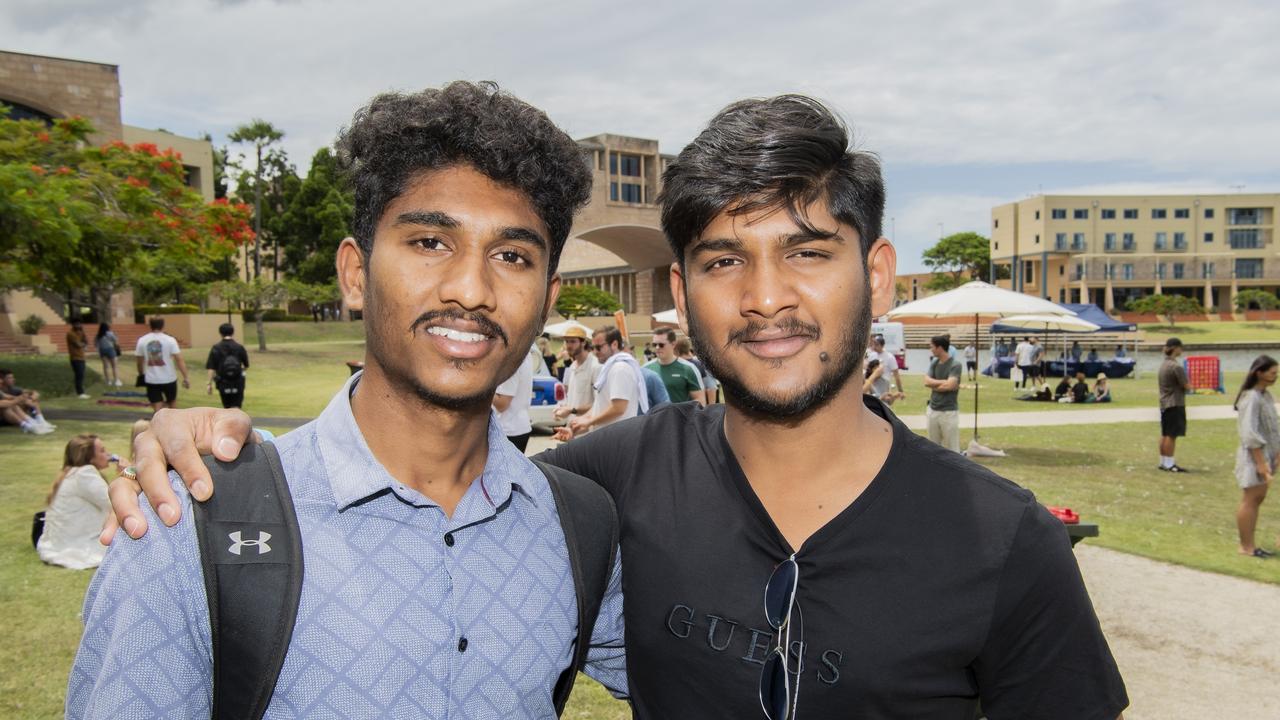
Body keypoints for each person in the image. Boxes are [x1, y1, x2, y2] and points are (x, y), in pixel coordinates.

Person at [112, 93, 1129, 718]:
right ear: (681, 297)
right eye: (428, 242)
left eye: (806, 254)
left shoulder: (1003, 543)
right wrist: (187, 435)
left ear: (875, 272)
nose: (767, 298)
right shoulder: (595, 493)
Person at [70, 81, 626, 718]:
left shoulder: (578, 529)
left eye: (511, 255)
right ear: (356, 274)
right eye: (429, 243)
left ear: (547, 300)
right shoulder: (190, 520)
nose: (471, 288)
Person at [37, 434, 120, 569]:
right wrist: (128, 474)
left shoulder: (71, 473)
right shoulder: (84, 474)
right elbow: (115, 502)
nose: (108, 454)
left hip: (58, 543)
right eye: (102, 451)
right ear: (90, 457)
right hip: (75, 545)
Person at [1233, 355, 1279, 558]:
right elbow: (1249, 433)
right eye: (1272, 373)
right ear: (1259, 372)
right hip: (1254, 457)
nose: (1276, 376)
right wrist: (1261, 463)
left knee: (1257, 499)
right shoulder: (1251, 398)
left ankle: (1250, 544)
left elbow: (1273, 428)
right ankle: (1246, 547)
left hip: (1268, 455)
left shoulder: (1266, 396)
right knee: (1250, 499)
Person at [135, 317, 189, 413]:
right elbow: (179, 360)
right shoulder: (170, 340)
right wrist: (185, 377)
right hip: (169, 378)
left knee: (157, 407)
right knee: (172, 403)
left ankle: (159, 426)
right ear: (163, 325)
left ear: (150, 325)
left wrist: (141, 373)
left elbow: (139, 361)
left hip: (152, 379)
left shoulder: (142, 340)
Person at [643, 328, 705, 405]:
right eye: (654, 345)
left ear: (673, 344)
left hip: (681, 416)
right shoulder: (646, 368)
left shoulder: (688, 368)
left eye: (661, 345)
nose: (657, 348)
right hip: (654, 416)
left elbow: (700, 399)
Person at [922, 334, 962, 451]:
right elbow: (926, 381)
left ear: (939, 348)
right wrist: (943, 383)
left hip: (948, 412)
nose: (931, 349)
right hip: (933, 410)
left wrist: (934, 385)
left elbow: (950, 385)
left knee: (952, 448)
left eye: (932, 347)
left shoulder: (955, 365)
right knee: (933, 447)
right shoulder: (934, 363)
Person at [552, 325, 599, 424]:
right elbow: (572, 399)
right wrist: (562, 409)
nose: (569, 345)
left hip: (589, 429)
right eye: (567, 341)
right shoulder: (572, 366)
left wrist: (571, 410)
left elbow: (599, 404)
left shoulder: (595, 367)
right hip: (573, 428)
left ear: (583, 342)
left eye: (573, 341)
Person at [1158, 337, 1192, 472]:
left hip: (1164, 403)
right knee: (1172, 435)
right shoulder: (1176, 366)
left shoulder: (1164, 365)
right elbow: (1186, 385)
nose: (1181, 350)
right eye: (1180, 347)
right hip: (1175, 403)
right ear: (1175, 348)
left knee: (1165, 433)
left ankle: (1163, 461)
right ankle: (1170, 463)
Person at [493, 344, 535, 451]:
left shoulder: (512, 361)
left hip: (508, 429)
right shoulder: (526, 354)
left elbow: (502, 404)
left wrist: (483, 386)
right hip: (518, 426)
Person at [204, 322, 249, 409]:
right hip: (238, 382)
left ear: (220, 333)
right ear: (233, 332)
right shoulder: (239, 347)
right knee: (237, 407)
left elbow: (211, 367)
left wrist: (209, 384)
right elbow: (246, 365)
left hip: (222, 382)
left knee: (227, 408)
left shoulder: (216, 348)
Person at [0, 368, 55, 433]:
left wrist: (28, 398)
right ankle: (30, 425)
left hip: (10, 416)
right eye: (10, 378)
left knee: (17, 404)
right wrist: (18, 400)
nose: (13, 380)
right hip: (4, 417)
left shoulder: (10, 390)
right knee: (7, 407)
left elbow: (8, 397)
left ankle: (36, 423)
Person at [675, 336, 719, 404]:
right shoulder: (700, 363)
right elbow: (711, 387)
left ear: (676, 350)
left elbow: (711, 387)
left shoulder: (698, 364)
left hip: (697, 407)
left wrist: (709, 410)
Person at [865, 334, 904, 404]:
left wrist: (900, 390)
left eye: (877, 345)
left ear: (882, 345)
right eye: (873, 344)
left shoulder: (889, 357)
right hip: (873, 383)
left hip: (884, 384)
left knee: (885, 403)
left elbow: (896, 375)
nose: (874, 347)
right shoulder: (871, 355)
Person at [66, 318, 89, 399]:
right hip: (75, 357)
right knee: (79, 375)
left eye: (79, 324)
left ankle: (81, 391)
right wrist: (83, 344)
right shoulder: (70, 334)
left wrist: (83, 335)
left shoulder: (80, 332)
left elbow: (86, 341)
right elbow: (78, 344)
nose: (78, 325)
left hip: (81, 357)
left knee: (81, 375)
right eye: (76, 324)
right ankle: (80, 392)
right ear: (73, 324)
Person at [94, 322, 121, 387]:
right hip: (110, 349)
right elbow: (116, 340)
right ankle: (116, 380)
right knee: (114, 366)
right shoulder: (110, 333)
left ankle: (108, 381)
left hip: (102, 350)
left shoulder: (98, 335)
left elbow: (96, 344)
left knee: (106, 367)